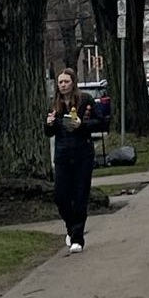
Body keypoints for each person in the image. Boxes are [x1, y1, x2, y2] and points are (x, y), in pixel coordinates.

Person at [46, 69, 102, 252]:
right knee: (60, 197)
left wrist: (82, 125)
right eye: (60, 82)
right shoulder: (55, 104)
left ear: (73, 82)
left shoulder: (85, 100)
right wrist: (49, 123)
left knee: (80, 197)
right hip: (62, 156)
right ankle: (71, 227)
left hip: (82, 154)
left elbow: (101, 122)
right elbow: (48, 133)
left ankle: (78, 238)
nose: (62, 85)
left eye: (66, 82)